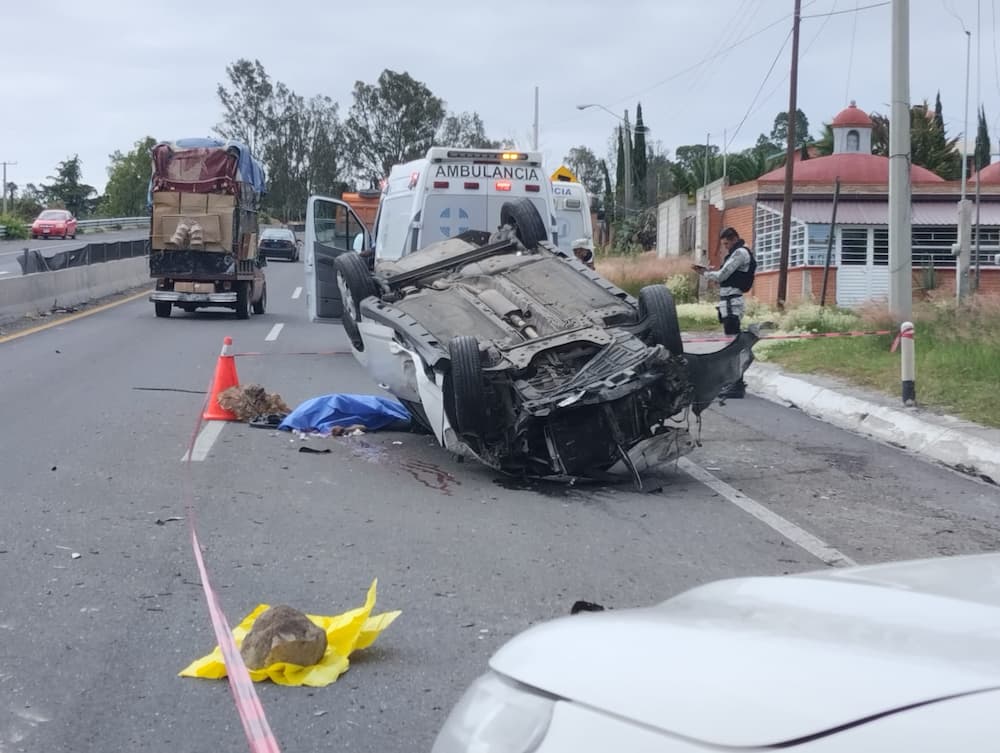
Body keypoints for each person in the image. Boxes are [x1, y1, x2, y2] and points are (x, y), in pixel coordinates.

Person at [693, 227, 755, 399]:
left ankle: (736, 384)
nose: (726, 247)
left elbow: (721, 275)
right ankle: (734, 383)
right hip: (729, 303)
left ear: (734, 239)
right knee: (730, 345)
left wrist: (705, 273)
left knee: (732, 347)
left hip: (732, 303)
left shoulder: (740, 253)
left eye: (727, 243)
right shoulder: (737, 253)